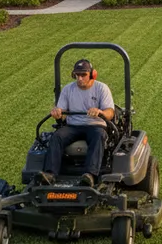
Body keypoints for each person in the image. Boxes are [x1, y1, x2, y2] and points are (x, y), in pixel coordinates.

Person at [36, 59, 116, 187]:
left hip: (95, 125)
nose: (79, 78)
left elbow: (110, 112)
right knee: (57, 136)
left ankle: (90, 175)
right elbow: (61, 110)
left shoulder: (101, 88)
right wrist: (58, 112)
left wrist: (100, 112)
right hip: (73, 126)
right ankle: (50, 174)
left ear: (92, 75)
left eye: (83, 75)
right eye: (77, 75)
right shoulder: (68, 89)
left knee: (98, 135)